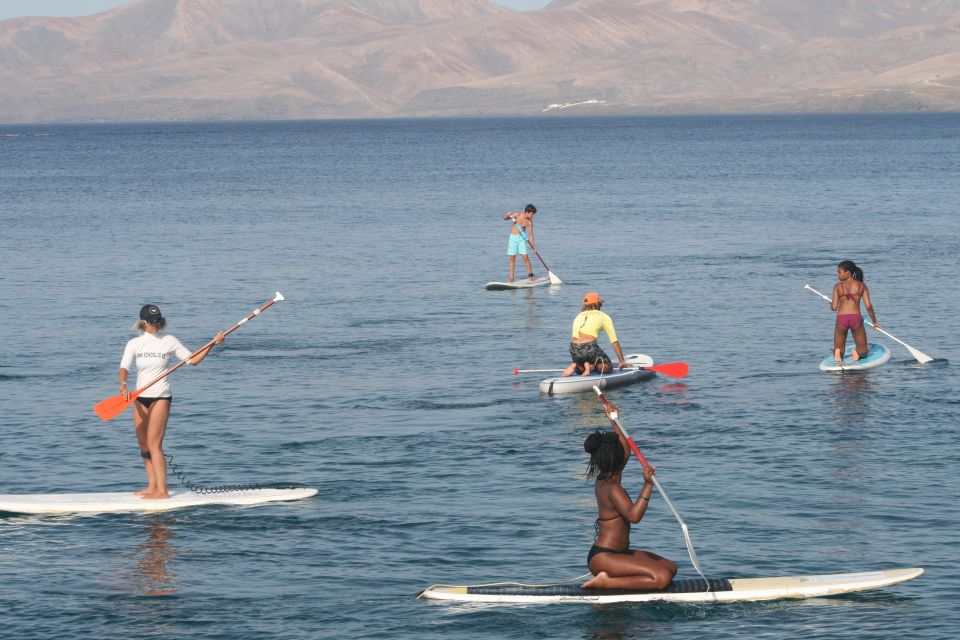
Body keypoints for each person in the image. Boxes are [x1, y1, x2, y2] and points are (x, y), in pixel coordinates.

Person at [118, 304, 224, 499]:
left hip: (161, 396)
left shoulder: (169, 341)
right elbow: (124, 367)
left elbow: (192, 360)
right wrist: (123, 384)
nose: (155, 324)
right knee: (143, 444)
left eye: (158, 320)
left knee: (154, 443)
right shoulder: (134, 343)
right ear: (143, 323)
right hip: (139, 397)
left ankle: (163, 491)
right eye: (151, 322)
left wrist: (211, 344)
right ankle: (152, 486)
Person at [581, 401, 677, 590]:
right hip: (604, 557)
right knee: (662, 578)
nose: (625, 455)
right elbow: (634, 516)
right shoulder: (611, 487)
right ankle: (607, 581)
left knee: (670, 568)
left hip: (618, 554)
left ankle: (617, 578)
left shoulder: (607, 475)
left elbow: (626, 451)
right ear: (615, 460)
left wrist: (614, 421)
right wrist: (647, 485)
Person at [561, 292, 627, 376]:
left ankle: (576, 366)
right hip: (589, 346)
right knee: (608, 367)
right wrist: (621, 361)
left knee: (582, 366)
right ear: (597, 304)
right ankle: (592, 367)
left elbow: (576, 339)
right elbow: (614, 341)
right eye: (600, 304)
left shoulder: (578, 316)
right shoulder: (604, 317)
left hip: (573, 347)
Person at [830, 260, 879, 362]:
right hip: (855, 319)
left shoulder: (837, 286)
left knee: (839, 347)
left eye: (839, 272)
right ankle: (856, 353)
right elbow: (869, 306)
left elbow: (834, 308)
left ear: (848, 273)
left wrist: (832, 304)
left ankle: (838, 353)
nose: (837, 275)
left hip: (841, 319)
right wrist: (874, 321)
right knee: (864, 351)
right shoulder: (862, 286)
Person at [503, 204, 537, 282]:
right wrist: (508, 215)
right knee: (512, 258)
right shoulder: (517, 215)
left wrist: (533, 247)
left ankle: (530, 276)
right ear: (527, 212)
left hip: (521, 239)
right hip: (513, 238)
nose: (532, 216)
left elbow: (531, 234)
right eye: (532, 214)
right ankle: (511, 278)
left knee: (525, 257)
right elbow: (505, 218)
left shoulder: (529, 222)